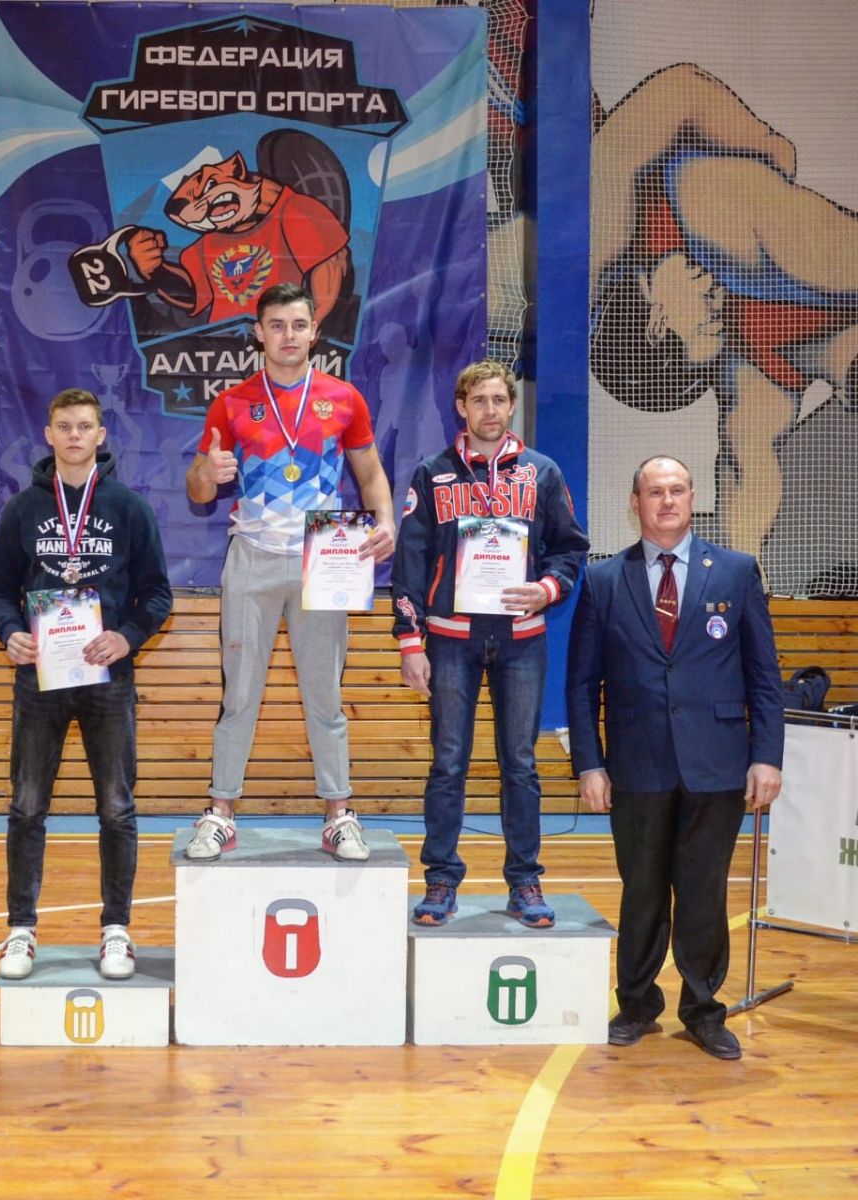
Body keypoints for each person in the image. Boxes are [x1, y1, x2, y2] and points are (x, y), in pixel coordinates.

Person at [587, 63, 858, 563]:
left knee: (710, 200)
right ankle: (748, 577)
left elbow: (680, 87)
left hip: (793, 243)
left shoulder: (622, 221)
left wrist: (761, 141)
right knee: (748, 429)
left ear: (657, 322)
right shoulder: (729, 333)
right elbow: (747, 462)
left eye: (704, 326)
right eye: (713, 336)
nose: (716, 314)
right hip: (807, 330)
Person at [565, 455, 783, 1059]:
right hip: (637, 764)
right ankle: (637, 1004)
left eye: (677, 490)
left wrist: (766, 755)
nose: (666, 500)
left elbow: (764, 676)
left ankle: (704, 1010)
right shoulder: (604, 580)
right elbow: (581, 685)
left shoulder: (735, 571)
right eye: (654, 491)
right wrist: (590, 763)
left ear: (692, 499)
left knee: (704, 891)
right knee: (641, 889)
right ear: (634, 503)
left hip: (718, 764)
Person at [184, 281, 395, 861]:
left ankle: (339, 814)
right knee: (239, 692)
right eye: (276, 325)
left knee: (325, 693)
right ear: (258, 332)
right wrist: (208, 471)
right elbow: (198, 490)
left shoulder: (344, 398)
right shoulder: (231, 403)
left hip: (323, 558)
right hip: (252, 555)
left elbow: (371, 473)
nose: (288, 335)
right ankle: (221, 812)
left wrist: (386, 520)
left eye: (298, 325)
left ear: (314, 332)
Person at [392, 360, 589, 928]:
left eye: (499, 400)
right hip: (450, 641)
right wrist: (410, 641)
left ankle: (525, 880)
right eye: (479, 400)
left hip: (521, 639)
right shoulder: (433, 473)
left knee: (521, 764)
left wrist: (546, 589)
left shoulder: (541, 473)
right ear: (461, 407)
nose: (490, 410)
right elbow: (410, 562)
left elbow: (569, 548)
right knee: (448, 763)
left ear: (511, 406)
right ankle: (440, 878)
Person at [0, 388, 172, 981]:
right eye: (63, 426)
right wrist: (10, 631)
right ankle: (21, 930)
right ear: (48, 434)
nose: (73, 435)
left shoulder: (128, 508)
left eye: (84, 426)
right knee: (26, 806)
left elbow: (157, 594)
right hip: (39, 679)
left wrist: (127, 636)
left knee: (117, 808)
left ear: (100, 435)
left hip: (107, 678)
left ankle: (117, 930)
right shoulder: (22, 510)